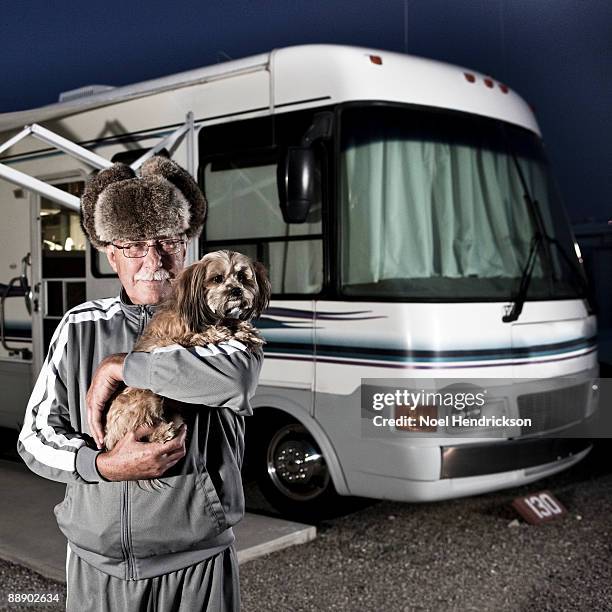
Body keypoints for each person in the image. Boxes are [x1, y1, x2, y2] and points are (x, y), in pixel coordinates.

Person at [17, 155, 263, 611]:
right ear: (110, 253)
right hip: (96, 566)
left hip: (195, 564)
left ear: (186, 246)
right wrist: (104, 465)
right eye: (132, 245)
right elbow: (34, 439)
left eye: (166, 241)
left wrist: (119, 367)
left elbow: (236, 378)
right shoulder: (80, 326)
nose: (152, 260)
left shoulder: (222, 320)